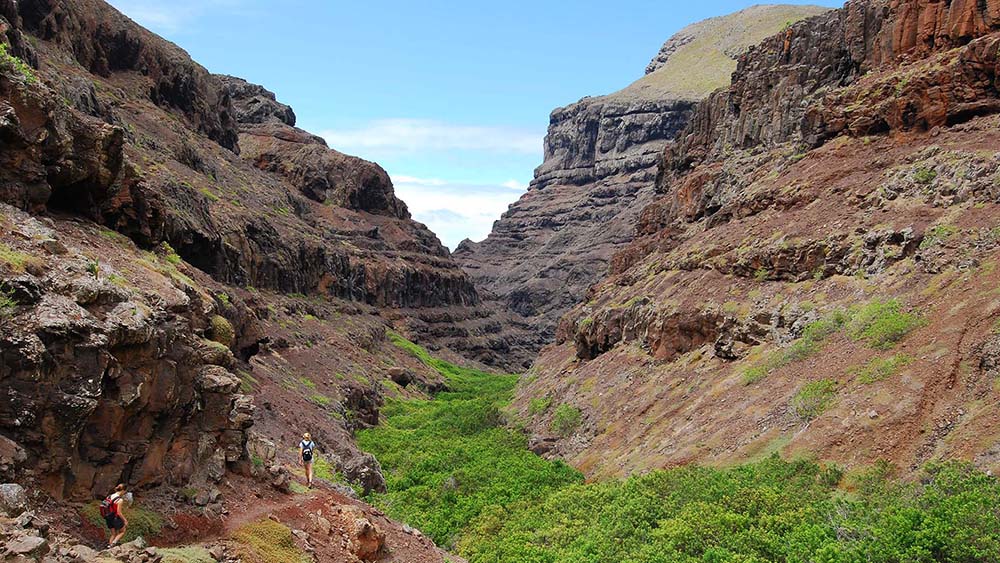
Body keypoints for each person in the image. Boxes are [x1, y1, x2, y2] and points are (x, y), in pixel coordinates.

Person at [104, 484, 129, 548]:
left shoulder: (109, 496)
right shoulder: (119, 500)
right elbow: (119, 512)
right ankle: (113, 543)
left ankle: (110, 548)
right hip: (115, 518)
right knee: (122, 531)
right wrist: (125, 520)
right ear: (123, 490)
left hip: (108, 518)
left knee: (113, 534)